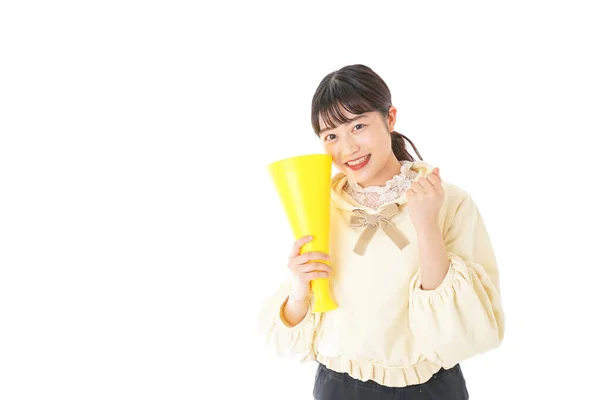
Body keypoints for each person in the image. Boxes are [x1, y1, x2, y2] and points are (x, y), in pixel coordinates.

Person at [257, 64, 505, 400]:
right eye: (331, 136)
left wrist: (426, 224)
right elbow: (294, 333)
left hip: (429, 388)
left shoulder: (448, 201)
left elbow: (464, 332)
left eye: (358, 126)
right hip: (338, 387)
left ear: (390, 119)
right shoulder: (319, 203)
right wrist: (300, 288)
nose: (347, 149)